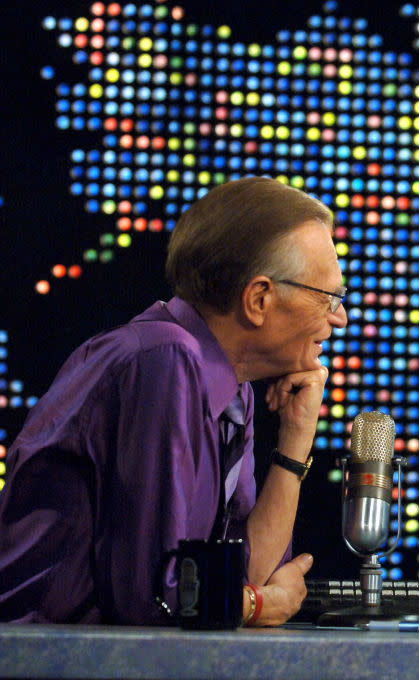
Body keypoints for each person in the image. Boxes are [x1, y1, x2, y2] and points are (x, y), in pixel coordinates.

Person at [0, 176, 347, 626]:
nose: (339, 318)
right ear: (259, 298)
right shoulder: (164, 359)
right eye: (329, 298)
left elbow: (244, 573)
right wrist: (257, 605)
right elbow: (153, 597)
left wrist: (295, 440)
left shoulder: (232, 384)